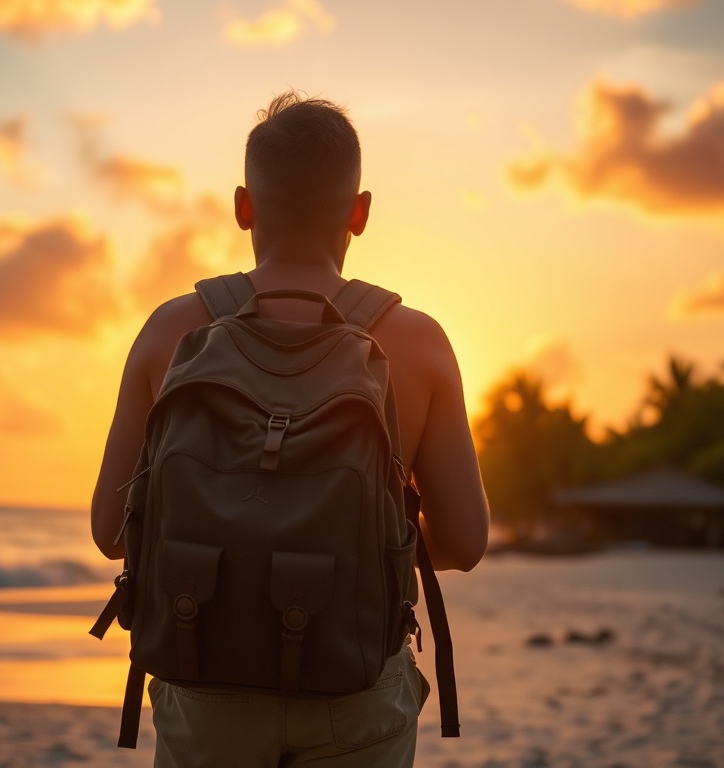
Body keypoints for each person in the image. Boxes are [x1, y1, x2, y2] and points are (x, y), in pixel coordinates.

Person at [91, 91, 490, 768]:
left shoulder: (170, 330)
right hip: (355, 686)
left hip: (202, 678)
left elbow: (110, 531)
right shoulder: (417, 344)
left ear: (244, 205)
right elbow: (464, 543)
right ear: (359, 213)